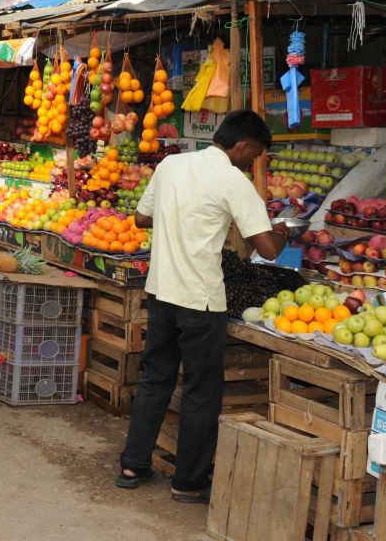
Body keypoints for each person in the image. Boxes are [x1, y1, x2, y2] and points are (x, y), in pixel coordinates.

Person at [116, 109, 288, 503]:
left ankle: (132, 465)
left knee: (155, 379)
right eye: (255, 154)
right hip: (201, 301)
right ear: (242, 145)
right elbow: (267, 251)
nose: (253, 162)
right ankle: (188, 482)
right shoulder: (233, 180)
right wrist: (281, 232)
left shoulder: (171, 164)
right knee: (200, 391)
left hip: (161, 292)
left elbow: (141, 218)